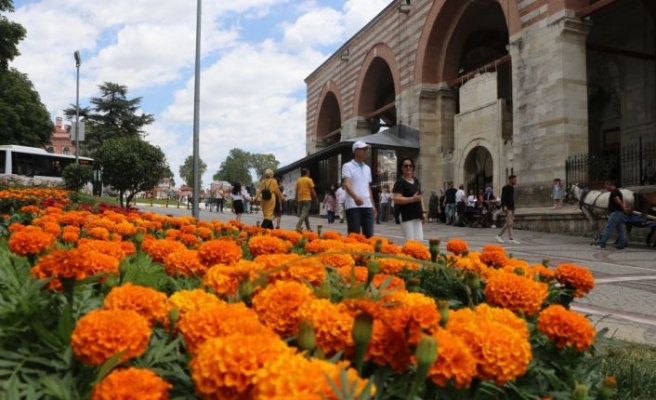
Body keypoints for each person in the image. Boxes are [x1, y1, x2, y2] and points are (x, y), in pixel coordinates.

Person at [342, 140, 377, 238]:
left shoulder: (367, 168)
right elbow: (347, 183)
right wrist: (355, 197)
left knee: (369, 235)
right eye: (363, 149)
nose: (366, 151)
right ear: (355, 151)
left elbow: (367, 187)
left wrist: (373, 206)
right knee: (354, 235)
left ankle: (368, 253)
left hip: (367, 206)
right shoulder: (347, 166)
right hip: (353, 206)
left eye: (366, 149)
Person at [392, 157, 426, 242]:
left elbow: (420, 197)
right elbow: (396, 199)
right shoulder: (400, 182)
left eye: (410, 166)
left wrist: (424, 212)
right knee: (410, 239)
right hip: (406, 214)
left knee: (419, 239)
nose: (408, 168)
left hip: (417, 214)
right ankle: (407, 255)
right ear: (401, 168)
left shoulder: (416, 181)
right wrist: (412, 199)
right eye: (406, 166)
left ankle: (416, 254)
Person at [595, 179, 628, 249]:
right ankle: (621, 245)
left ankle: (602, 244)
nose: (605, 187)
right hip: (619, 213)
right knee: (620, 229)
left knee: (609, 228)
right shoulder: (617, 191)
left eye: (606, 185)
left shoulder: (614, 192)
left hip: (616, 213)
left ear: (610, 185)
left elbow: (618, 201)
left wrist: (624, 209)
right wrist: (623, 209)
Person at [496, 175, 520, 244]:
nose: (516, 181)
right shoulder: (505, 188)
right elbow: (503, 198)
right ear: (510, 180)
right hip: (507, 208)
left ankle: (510, 238)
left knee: (510, 223)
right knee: (509, 223)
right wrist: (504, 206)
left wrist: (513, 207)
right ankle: (499, 236)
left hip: (512, 207)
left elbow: (511, 198)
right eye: (515, 180)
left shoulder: (512, 188)